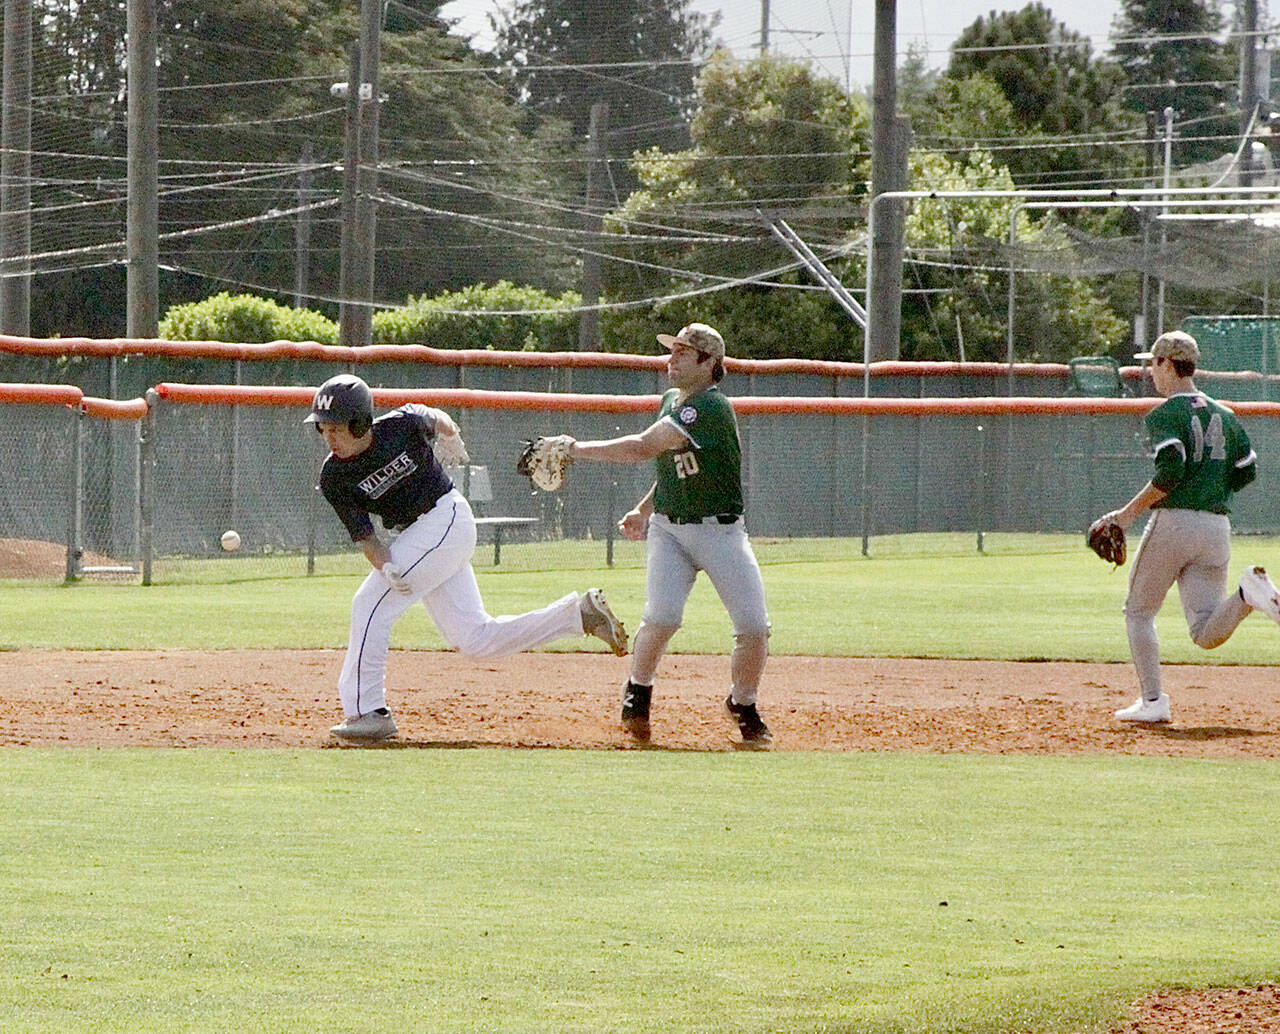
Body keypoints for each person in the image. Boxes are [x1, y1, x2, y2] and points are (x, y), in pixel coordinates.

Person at [306, 373, 628, 744]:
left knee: (369, 604)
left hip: (445, 518)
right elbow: (366, 537)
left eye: (336, 428)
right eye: (322, 429)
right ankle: (578, 614)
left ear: (361, 423)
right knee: (476, 640)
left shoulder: (399, 426)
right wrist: (386, 566)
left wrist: (449, 434)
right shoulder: (334, 476)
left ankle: (368, 713)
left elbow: (434, 417)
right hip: (419, 537)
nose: (329, 437)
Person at [559, 322, 772, 746]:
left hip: (720, 533)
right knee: (662, 616)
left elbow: (642, 448)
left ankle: (742, 703)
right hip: (670, 530)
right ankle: (638, 692)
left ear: (708, 363)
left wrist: (574, 449)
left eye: (682, 352)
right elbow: (673, 470)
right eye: (671, 351)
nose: (670, 359)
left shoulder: (709, 406)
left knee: (753, 627)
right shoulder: (672, 400)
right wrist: (644, 509)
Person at [1088, 330, 1280, 724]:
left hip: (1174, 523)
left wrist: (1126, 515)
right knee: (1204, 632)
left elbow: (1171, 470)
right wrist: (1210, 487)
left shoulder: (1166, 414)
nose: (1151, 372)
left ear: (1166, 363)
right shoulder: (1225, 414)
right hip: (1216, 527)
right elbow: (1247, 471)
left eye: (1153, 363)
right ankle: (1247, 594)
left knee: (1138, 612)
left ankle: (1153, 702)